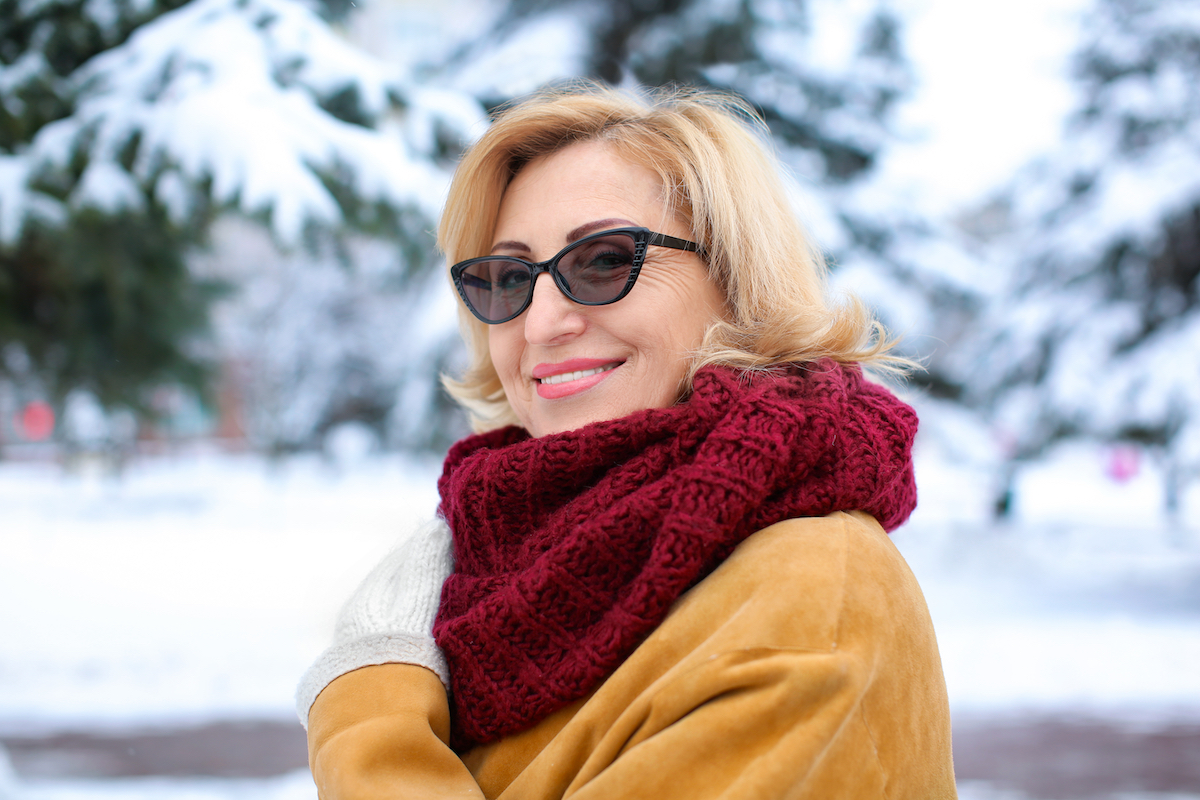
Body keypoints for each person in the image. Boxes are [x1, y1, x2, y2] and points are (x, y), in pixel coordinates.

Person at [296, 83, 957, 799]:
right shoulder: (490, 583)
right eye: (508, 278)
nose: (543, 322)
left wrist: (373, 699)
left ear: (736, 281)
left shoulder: (817, 585)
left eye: (605, 260)